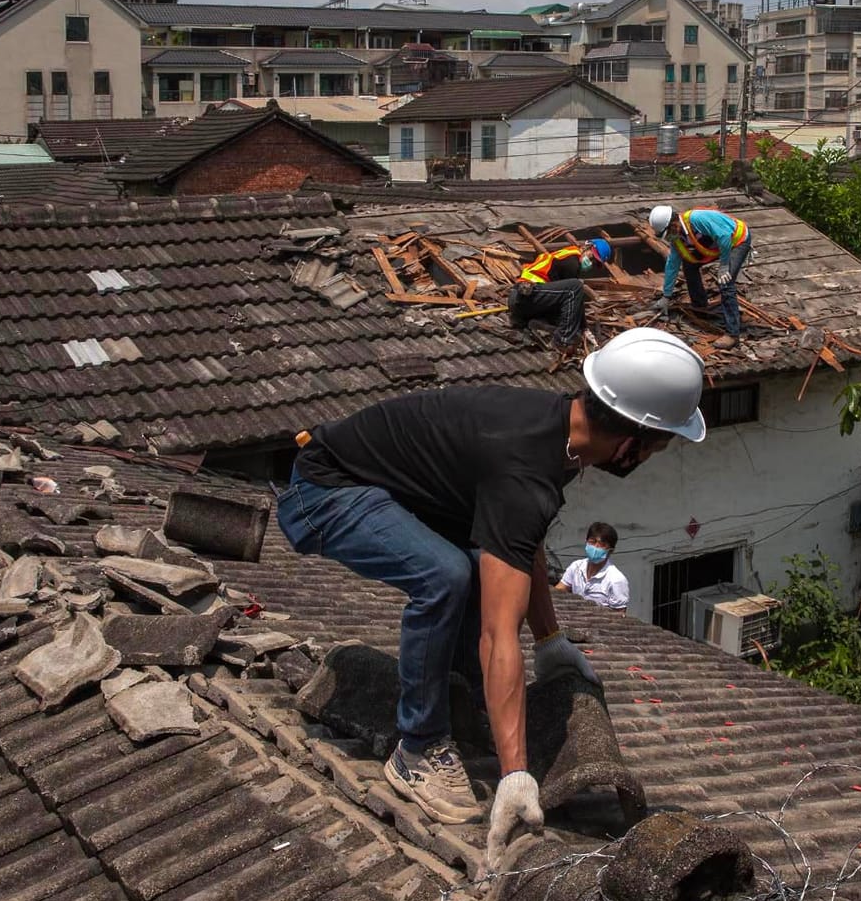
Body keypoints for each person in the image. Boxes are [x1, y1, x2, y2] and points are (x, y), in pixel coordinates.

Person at [276, 327, 707, 860]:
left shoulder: (558, 430)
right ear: (631, 443)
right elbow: (498, 633)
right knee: (446, 576)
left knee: (480, 568)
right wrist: (515, 773)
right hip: (322, 493)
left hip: (382, 489)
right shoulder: (524, 467)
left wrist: (550, 639)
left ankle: (455, 696)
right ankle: (418, 747)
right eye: (660, 445)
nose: (653, 456)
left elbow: (520, 541)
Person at [648, 204, 752, 350]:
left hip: (736, 240)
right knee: (689, 265)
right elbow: (672, 264)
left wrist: (724, 266)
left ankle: (732, 334)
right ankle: (700, 306)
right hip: (717, 246)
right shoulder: (677, 238)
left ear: (675, 222)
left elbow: (724, 236)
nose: (670, 236)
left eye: (669, 231)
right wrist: (666, 295)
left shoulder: (697, 219)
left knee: (725, 282)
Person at [508, 239, 610, 352]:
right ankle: (563, 340)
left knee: (564, 310)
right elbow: (574, 298)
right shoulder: (571, 262)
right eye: (592, 258)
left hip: (529, 300)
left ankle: (535, 323)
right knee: (575, 287)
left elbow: (566, 301)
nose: (591, 263)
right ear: (587, 247)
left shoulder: (567, 253)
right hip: (525, 295)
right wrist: (583, 327)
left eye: (595, 263)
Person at [560, 522, 629, 610]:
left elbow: (619, 615)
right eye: (592, 542)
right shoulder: (576, 567)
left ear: (610, 551)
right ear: (586, 542)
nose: (596, 547)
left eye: (602, 545)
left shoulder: (617, 580)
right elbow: (560, 590)